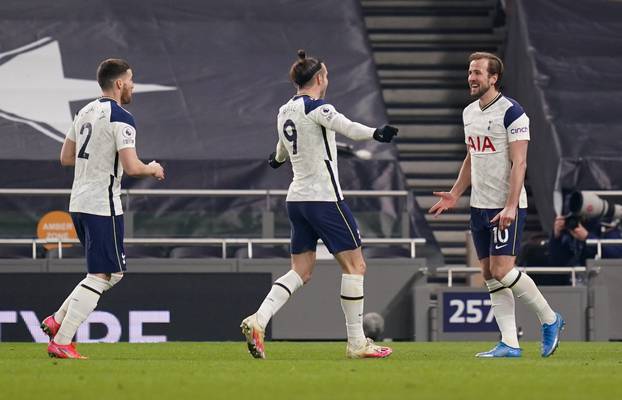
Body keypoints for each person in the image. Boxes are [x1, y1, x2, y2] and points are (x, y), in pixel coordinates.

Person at [240, 50, 398, 359]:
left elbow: (280, 152)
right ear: (319, 79)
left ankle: (258, 320)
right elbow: (348, 126)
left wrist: (275, 160)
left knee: (301, 270)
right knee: (356, 266)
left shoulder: (284, 111)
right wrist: (376, 133)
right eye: (326, 75)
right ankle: (356, 343)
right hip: (324, 198)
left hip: (296, 200)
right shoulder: (319, 108)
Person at [429, 52, 564, 358]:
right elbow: (471, 157)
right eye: (469, 72)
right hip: (479, 205)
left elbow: (520, 163)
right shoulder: (469, 113)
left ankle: (551, 318)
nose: (471, 78)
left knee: (503, 270)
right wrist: (455, 193)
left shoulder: (512, 113)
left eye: (477, 72)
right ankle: (509, 343)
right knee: (490, 273)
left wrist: (511, 206)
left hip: (505, 206)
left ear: (493, 78)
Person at [40, 58, 165, 359]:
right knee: (102, 275)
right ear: (120, 83)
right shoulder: (121, 116)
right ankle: (63, 340)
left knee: (111, 273)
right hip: (101, 205)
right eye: (131, 79)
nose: (133, 84)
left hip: (79, 202)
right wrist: (153, 168)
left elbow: (66, 157)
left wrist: (96, 157)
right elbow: (132, 166)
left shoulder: (84, 112)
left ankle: (57, 319)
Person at [549, 215, 622, 266]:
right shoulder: (570, 227)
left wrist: (587, 237)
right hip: (575, 279)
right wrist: (556, 236)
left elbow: (616, 255)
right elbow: (557, 261)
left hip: (602, 278)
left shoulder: (606, 227)